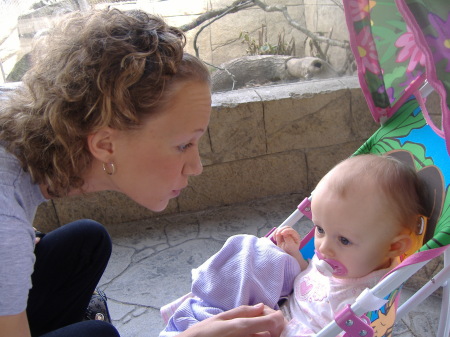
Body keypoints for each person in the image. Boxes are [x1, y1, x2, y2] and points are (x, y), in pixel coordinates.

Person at [0, 8, 285, 337]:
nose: (196, 166)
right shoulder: (6, 227)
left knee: (85, 243)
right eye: (183, 145)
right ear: (106, 144)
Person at [160, 154, 428, 337]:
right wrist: (296, 259)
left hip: (294, 329)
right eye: (321, 229)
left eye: (343, 240)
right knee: (251, 251)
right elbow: (309, 281)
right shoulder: (346, 261)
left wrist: (282, 328)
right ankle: (204, 306)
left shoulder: (369, 296)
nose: (323, 247)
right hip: (279, 311)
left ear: (394, 247)